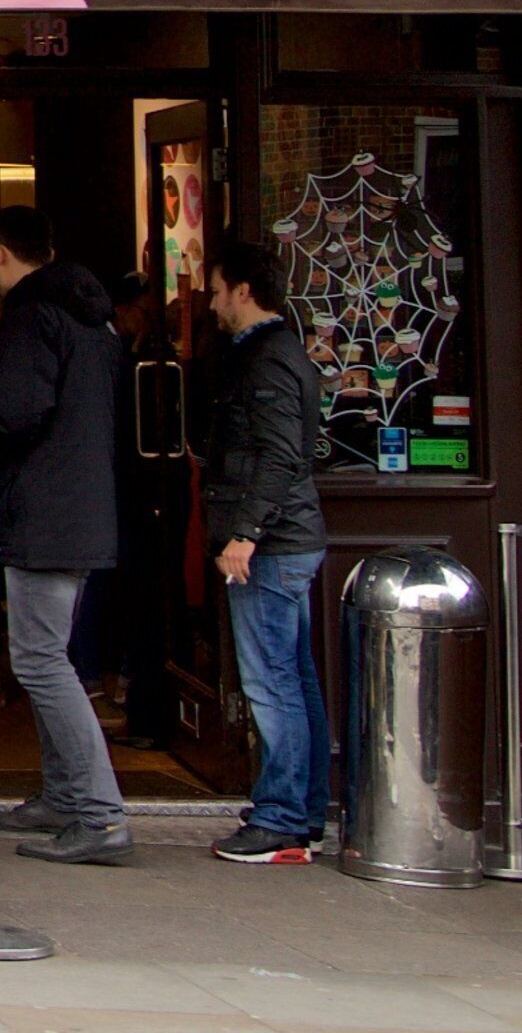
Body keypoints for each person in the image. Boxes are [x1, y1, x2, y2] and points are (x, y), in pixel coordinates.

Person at [0, 205, 131, 865]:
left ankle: (101, 814)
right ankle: (63, 797)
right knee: (46, 656)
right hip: (83, 502)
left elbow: (19, 411)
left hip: (43, 509)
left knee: (41, 661)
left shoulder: (30, 314)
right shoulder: (92, 318)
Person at [199, 238, 329, 862]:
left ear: (242, 291)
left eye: (218, 288)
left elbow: (280, 456)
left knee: (272, 683)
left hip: (270, 545)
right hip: (284, 539)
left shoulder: (268, 359)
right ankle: (303, 812)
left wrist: (244, 532)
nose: (212, 301)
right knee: (293, 679)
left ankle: (280, 817)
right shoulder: (278, 351)